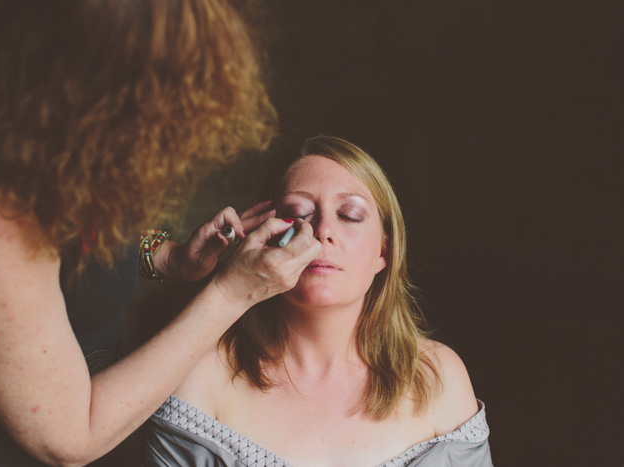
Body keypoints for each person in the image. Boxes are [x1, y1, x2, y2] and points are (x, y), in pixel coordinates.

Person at [0, 1, 323, 465]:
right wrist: (232, 294)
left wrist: (166, 256)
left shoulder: (33, 115)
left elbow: (66, 233)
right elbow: (70, 436)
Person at [144, 136, 493, 466]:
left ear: (383, 253)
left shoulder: (438, 376)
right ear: (265, 238)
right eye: (299, 213)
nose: (323, 229)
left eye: (350, 215)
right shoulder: (201, 375)